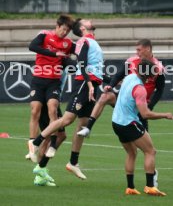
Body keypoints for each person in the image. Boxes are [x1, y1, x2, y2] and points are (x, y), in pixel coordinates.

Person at [28, 18, 103, 180]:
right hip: (71, 84)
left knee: (73, 128)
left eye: (67, 31)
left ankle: (64, 164)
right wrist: (89, 82)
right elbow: (81, 64)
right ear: (83, 27)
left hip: (64, 86)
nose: (64, 33)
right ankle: (35, 143)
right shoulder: (78, 41)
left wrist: (112, 80)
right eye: (87, 21)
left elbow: (77, 62)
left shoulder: (82, 42)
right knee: (59, 122)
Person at [77, 39, 165, 135]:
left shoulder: (158, 67)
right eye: (136, 50)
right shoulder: (132, 62)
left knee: (146, 146)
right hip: (124, 100)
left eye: (139, 50)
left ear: (148, 49)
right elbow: (119, 75)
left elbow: (159, 90)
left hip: (139, 105)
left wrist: (150, 106)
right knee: (105, 96)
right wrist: (110, 86)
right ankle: (88, 128)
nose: (137, 53)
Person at [112, 59, 173, 196]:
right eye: (154, 72)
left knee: (132, 153)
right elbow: (145, 114)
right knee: (150, 151)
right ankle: (150, 186)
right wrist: (165, 115)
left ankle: (130, 187)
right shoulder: (140, 89)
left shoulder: (129, 77)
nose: (155, 75)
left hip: (116, 122)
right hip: (129, 123)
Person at [28, 14, 75, 160]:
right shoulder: (44, 35)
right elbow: (32, 47)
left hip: (54, 82)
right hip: (38, 80)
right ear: (58, 26)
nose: (65, 32)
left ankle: (53, 145)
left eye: (68, 30)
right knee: (35, 110)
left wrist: (74, 64)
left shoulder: (68, 43)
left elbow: (74, 58)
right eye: (64, 29)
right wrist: (54, 53)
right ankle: (31, 145)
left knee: (52, 108)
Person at [33, 103, 66, 186]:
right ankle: (40, 171)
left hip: (51, 104)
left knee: (57, 136)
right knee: (50, 137)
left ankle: (40, 174)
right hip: (49, 105)